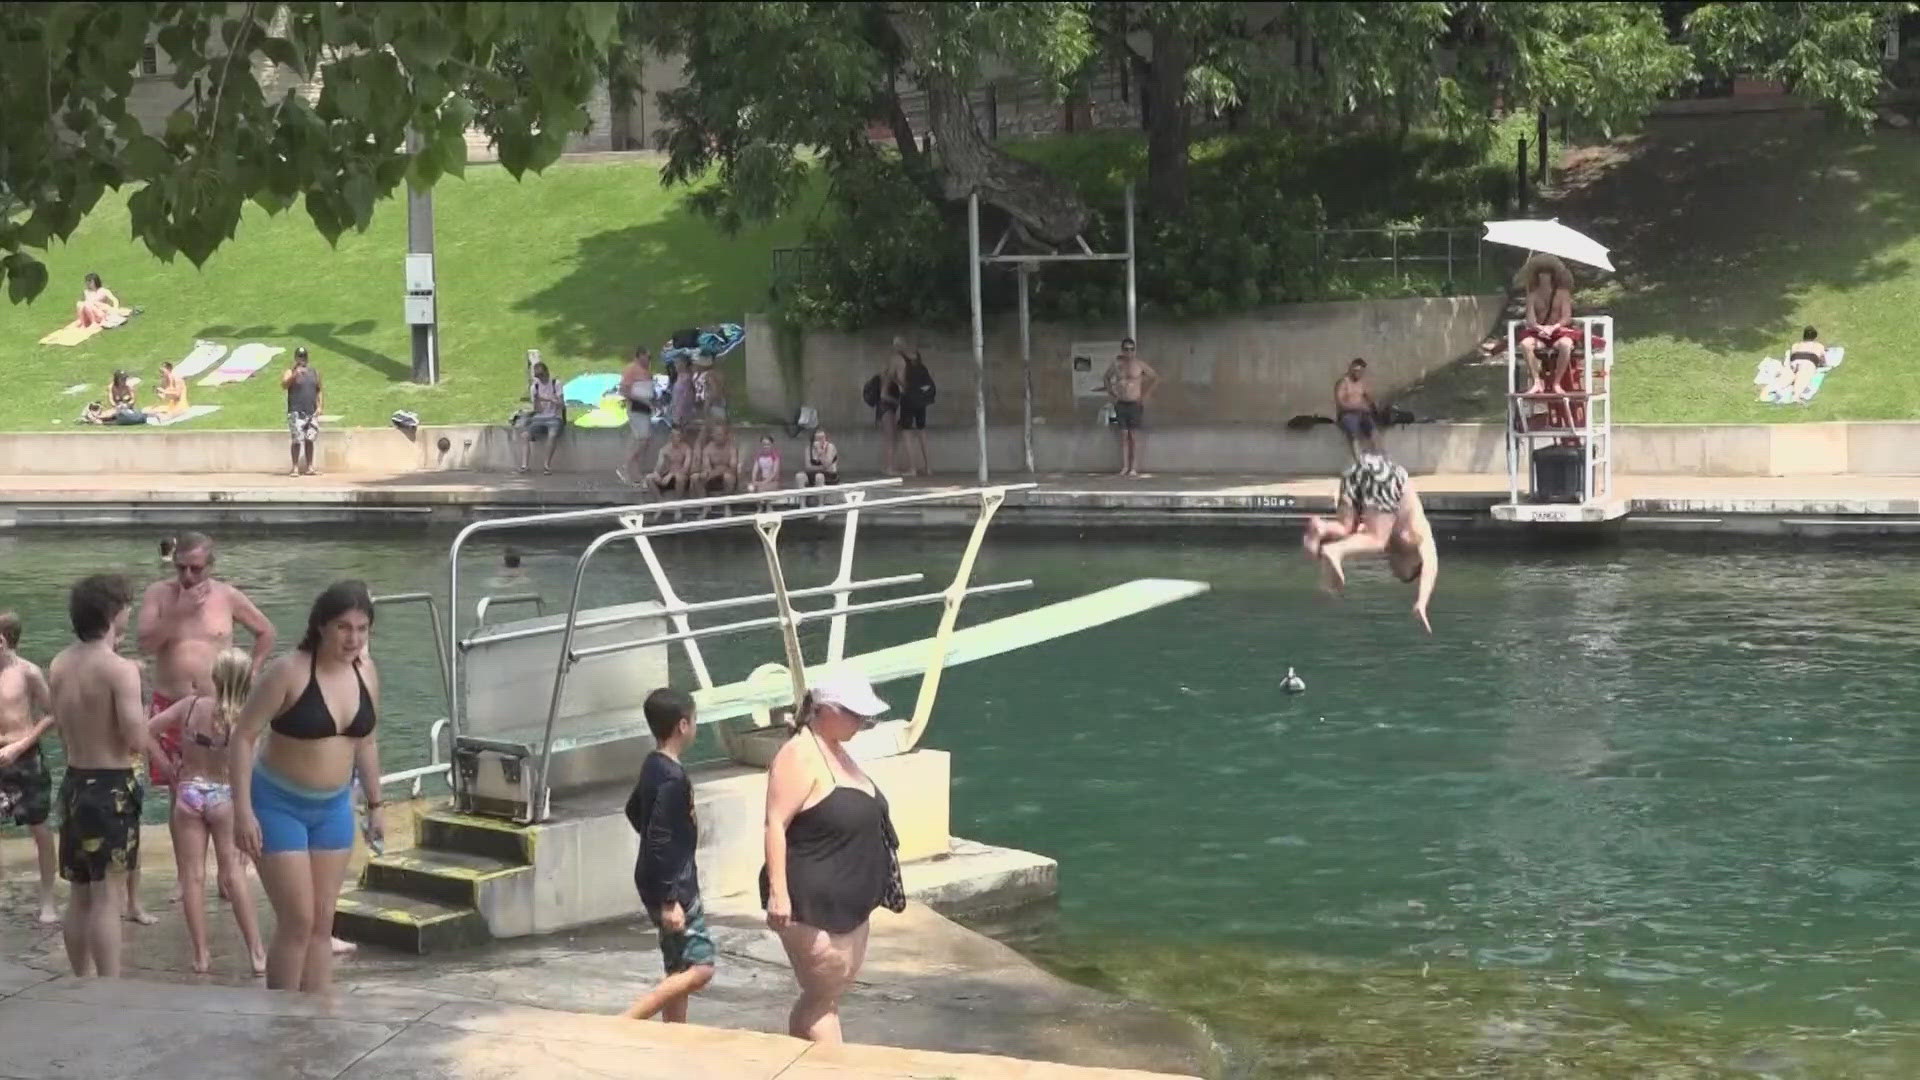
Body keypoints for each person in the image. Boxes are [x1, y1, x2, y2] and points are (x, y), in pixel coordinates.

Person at [232, 580, 384, 994]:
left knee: (322, 922)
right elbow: (243, 736)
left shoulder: (366, 673)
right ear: (320, 626)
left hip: (333, 807)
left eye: (361, 628)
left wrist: (376, 804)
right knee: (297, 920)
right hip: (278, 804)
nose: (353, 638)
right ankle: (281, 1018)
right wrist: (242, 811)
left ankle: (318, 1018)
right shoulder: (289, 671)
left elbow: (366, 741)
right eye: (343, 627)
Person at [136, 530, 276, 915]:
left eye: (196, 570)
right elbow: (145, 643)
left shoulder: (226, 596)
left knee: (230, 790)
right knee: (178, 793)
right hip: (172, 705)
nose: (188, 577)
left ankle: (228, 873)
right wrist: (177, 614)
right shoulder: (158, 595)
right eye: (181, 568)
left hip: (221, 709)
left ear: (210, 567)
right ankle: (187, 876)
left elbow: (265, 632)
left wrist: (251, 672)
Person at [761, 670, 904, 1044]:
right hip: (812, 900)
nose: (862, 723)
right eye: (855, 715)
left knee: (825, 999)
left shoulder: (835, 750)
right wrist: (779, 893)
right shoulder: (799, 755)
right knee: (820, 1000)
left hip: (849, 900)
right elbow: (774, 823)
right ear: (824, 710)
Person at [48, 574, 146, 977]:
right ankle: (110, 988)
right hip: (111, 789)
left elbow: (60, 725)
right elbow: (135, 738)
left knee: (80, 893)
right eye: (127, 605)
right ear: (112, 613)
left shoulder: (59, 663)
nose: (130, 612)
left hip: (73, 781)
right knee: (108, 896)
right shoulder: (119, 669)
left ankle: (81, 981)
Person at [148, 648, 268, 975]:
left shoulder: (189, 707)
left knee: (192, 877)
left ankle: (200, 955)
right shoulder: (246, 721)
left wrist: (168, 768)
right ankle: (257, 952)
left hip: (188, 793)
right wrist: (251, 814)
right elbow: (250, 772)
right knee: (232, 874)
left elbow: (147, 731)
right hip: (225, 797)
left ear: (215, 676)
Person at [620, 688, 716, 1022]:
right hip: (675, 886)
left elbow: (634, 811)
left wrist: (654, 845)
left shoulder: (653, 765)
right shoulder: (673, 777)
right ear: (683, 725)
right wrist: (670, 898)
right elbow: (659, 837)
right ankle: (627, 1020)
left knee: (678, 965)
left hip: (658, 878)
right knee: (701, 967)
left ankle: (674, 1034)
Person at [1301, 451, 1439, 633]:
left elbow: (1356, 535)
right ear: (1414, 564)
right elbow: (1431, 568)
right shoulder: (1420, 534)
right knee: (1377, 540)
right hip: (1387, 475)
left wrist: (1325, 575)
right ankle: (1335, 552)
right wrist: (1422, 602)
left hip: (1358, 468)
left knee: (1346, 528)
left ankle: (1321, 527)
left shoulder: (1388, 535)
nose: (1393, 570)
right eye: (1401, 574)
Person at [0, 611, 60, 924]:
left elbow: (53, 714)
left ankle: (47, 900)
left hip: (23, 757)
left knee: (39, 827)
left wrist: (20, 745)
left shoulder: (28, 673)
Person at [1516, 255, 1576, 395]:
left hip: (1558, 332)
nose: (1544, 277)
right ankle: (1536, 382)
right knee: (1525, 344)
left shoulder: (1562, 294)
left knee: (1566, 344)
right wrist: (1540, 328)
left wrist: (1553, 327)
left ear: (1553, 276)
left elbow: (1566, 317)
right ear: (1536, 277)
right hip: (1539, 334)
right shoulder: (1532, 295)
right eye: (1541, 273)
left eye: (1547, 273)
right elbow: (1530, 320)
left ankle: (1556, 383)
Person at [1102, 338, 1158, 478]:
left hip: (1134, 403)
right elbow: (1106, 378)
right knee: (1123, 435)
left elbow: (1155, 378)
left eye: (1131, 349)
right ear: (1122, 350)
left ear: (1134, 350)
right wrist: (1112, 394)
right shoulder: (1117, 365)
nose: (1129, 352)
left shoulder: (1139, 365)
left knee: (1133, 435)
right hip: (1121, 402)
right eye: (1126, 349)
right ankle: (1125, 466)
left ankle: (1134, 467)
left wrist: (1145, 395)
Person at [280, 348, 324, 477]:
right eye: (299, 357)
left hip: (311, 410)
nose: (302, 359)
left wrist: (320, 406)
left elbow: (319, 390)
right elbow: (284, 385)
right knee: (297, 440)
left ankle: (310, 467)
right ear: (295, 358)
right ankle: (294, 468)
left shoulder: (314, 372)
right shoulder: (290, 371)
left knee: (310, 439)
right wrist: (295, 375)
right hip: (296, 410)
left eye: (303, 357)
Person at [893, 337, 933, 477]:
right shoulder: (917, 357)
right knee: (922, 431)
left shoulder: (900, 360)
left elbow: (903, 383)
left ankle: (912, 468)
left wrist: (895, 379)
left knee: (906, 432)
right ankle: (928, 467)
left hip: (908, 399)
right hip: (921, 399)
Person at [617, 346, 656, 485]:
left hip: (646, 409)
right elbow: (624, 390)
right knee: (642, 439)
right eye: (647, 357)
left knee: (642, 441)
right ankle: (625, 467)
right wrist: (643, 400)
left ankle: (635, 471)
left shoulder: (647, 371)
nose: (649, 360)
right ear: (640, 356)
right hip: (636, 408)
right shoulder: (631, 369)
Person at [520, 361, 565, 475]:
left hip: (555, 417)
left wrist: (552, 400)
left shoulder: (556, 384)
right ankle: (525, 465)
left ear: (547, 372)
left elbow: (562, 405)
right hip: (540, 418)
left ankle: (546, 465)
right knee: (525, 435)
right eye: (538, 377)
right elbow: (537, 410)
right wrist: (538, 400)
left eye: (542, 376)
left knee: (552, 435)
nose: (541, 378)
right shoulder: (534, 387)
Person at [1333, 358, 1378, 462]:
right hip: (1347, 414)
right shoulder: (1343, 383)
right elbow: (1340, 403)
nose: (1358, 373)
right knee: (1353, 433)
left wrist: (1374, 409)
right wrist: (1358, 407)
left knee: (1373, 431)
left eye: (1361, 371)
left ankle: (1379, 458)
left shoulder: (1361, 383)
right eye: (1356, 370)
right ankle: (1358, 461)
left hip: (1362, 414)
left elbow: (1370, 399)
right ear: (1351, 369)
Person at [692, 423, 739, 497]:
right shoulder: (708, 449)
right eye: (716, 434)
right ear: (712, 435)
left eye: (720, 434)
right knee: (695, 477)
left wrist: (719, 471)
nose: (717, 437)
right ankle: (706, 504)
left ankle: (726, 504)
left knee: (728, 477)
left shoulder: (731, 448)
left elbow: (733, 468)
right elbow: (706, 468)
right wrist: (707, 473)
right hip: (712, 476)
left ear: (725, 436)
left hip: (727, 476)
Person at [646, 428, 693, 502]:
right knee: (649, 478)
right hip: (667, 477)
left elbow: (686, 468)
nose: (676, 438)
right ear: (670, 437)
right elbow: (658, 466)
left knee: (679, 478)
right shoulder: (664, 449)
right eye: (673, 436)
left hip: (681, 477)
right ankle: (660, 502)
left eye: (678, 436)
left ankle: (677, 504)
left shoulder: (686, 449)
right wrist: (657, 474)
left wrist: (672, 474)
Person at [1787, 325, 1828, 400]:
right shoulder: (1819, 346)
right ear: (1814, 336)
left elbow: (1791, 357)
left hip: (1795, 361)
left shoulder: (1795, 345)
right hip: (1808, 361)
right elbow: (1823, 362)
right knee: (1804, 376)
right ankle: (1796, 395)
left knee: (1795, 374)